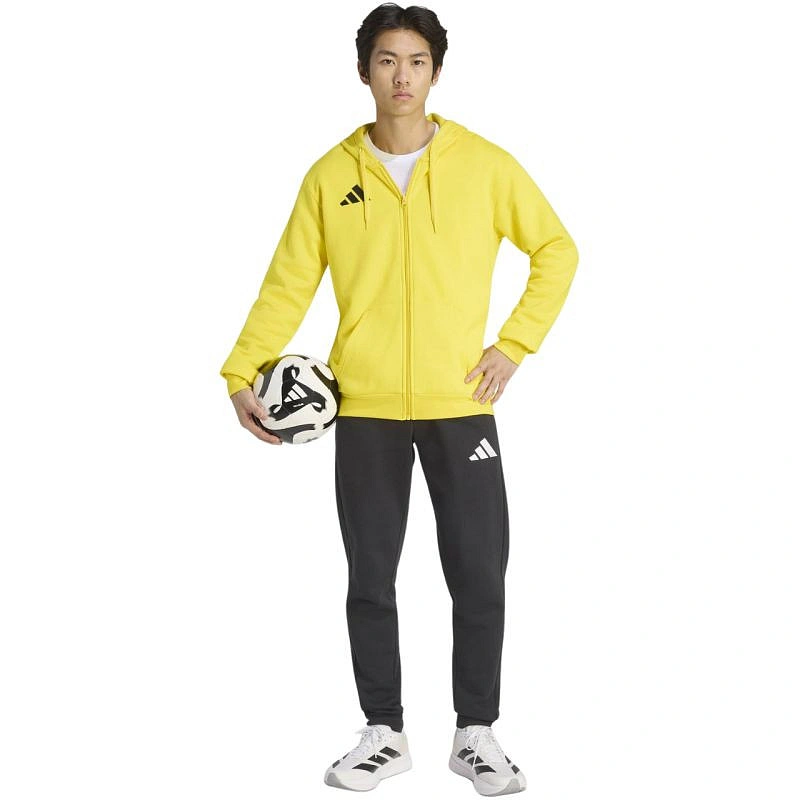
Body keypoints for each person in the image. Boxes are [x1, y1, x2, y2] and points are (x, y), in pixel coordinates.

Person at [219, 3, 579, 794]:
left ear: (436, 72)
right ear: (364, 71)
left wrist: (513, 345)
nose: (402, 76)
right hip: (366, 408)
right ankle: (383, 732)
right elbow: (287, 283)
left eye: (417, 61)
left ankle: (476, 734)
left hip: (462, 402)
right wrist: (241, 370)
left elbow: (556, 249)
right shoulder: (330, 176)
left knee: (478, 573)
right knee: (369, 576)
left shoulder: (485, 165)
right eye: (387, 60)